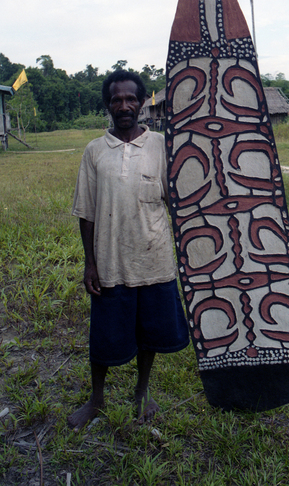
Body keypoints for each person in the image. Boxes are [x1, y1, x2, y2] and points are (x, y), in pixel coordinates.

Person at [68, 70, 189, 431]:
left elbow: (179, 201)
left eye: (130, 98)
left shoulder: (161, 145)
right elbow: (86, 213)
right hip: (110, 263)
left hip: (154, 259)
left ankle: (141, 391)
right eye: (117, 99)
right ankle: (97, 398)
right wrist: (90, 263)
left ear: (141, 102)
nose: (124, 105)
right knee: (104, 337)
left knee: (150, 332)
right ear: (108, 104)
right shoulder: (95, 150)